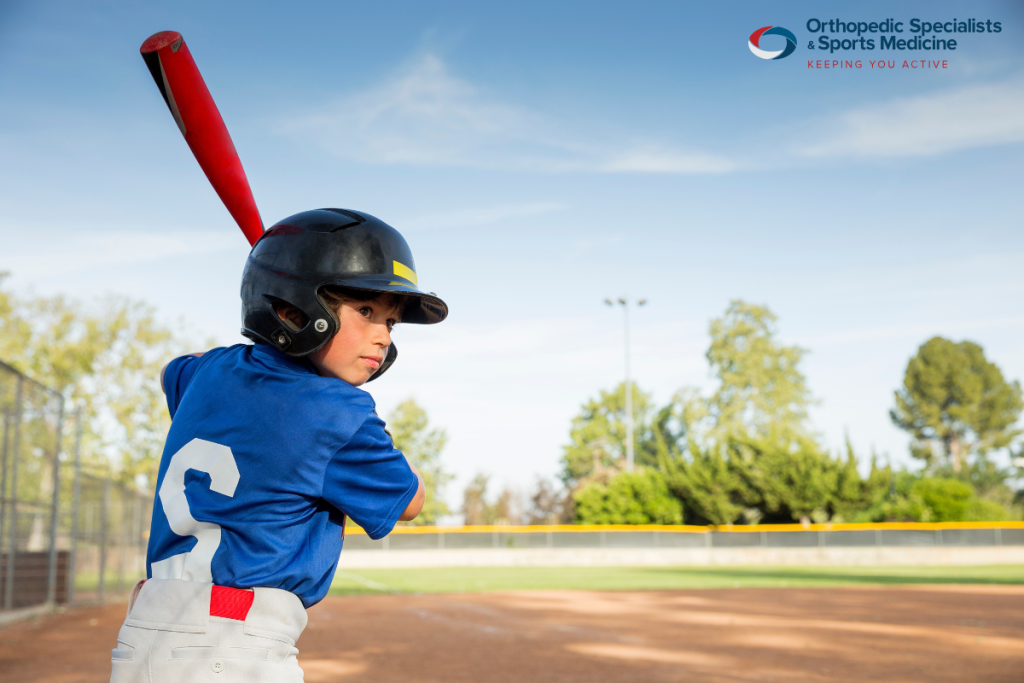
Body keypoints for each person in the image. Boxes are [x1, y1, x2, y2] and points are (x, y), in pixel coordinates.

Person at [108, 209, 447, 683]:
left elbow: (172, 369)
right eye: (365, 311)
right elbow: (410, 501)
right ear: (292, 309)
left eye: (391, 321)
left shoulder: (210, 372)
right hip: (232, 645)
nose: (382, 337)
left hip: (144, 635)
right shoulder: (338, 410)